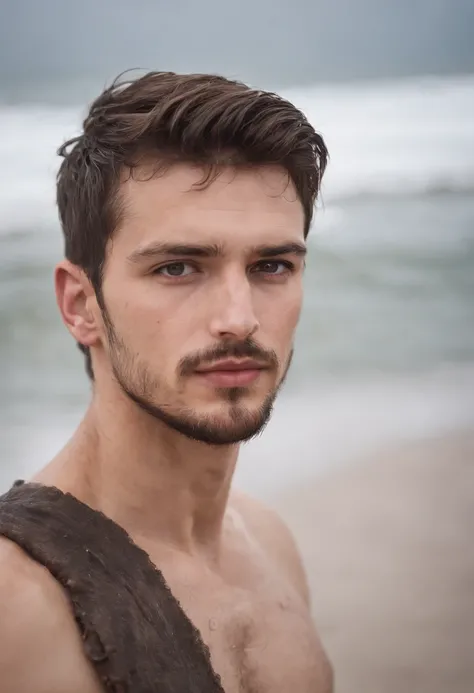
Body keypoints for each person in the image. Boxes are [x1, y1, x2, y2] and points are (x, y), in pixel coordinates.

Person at [0, 71, 332, 692]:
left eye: (272, 265)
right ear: (80, 303)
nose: (240, 318)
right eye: (178, 267)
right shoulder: (16, 604)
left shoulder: (269, 544)